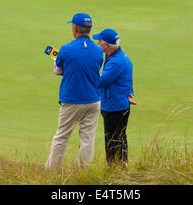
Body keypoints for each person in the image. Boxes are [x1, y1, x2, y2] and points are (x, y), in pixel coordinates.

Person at [45, 13, 104, 170]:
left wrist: (61, 62)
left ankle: (52, 172)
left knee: (61, 137)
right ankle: (83, 174)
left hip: (72, 100)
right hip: (94, 100)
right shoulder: (98, 51)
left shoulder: (66, 49)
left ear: (75, 28)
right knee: (87, 139)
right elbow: (91, 68)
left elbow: (58, 71)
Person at [92, 28, 136, 165]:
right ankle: (122, 167)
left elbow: (99, 81)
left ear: (105, 45)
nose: (97, 43)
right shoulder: (114, 56)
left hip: (114, 107)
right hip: (119, 104)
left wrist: (80, 72)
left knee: (113, 141)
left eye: (99, 41)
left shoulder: (115, 62)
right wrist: (130, 92)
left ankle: (114, 169)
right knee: (119, 138)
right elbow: (126, 78)